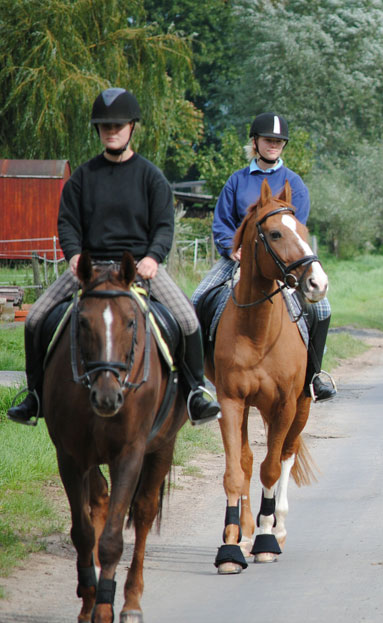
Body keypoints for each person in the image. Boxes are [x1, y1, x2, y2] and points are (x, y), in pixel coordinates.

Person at [7, 88, 221, 426]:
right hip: (90, 270)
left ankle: (195, 393)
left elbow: (164, 226)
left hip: (138, 268)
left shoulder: (151, 177)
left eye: (118, 125)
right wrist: (75, 255)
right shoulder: (82, 178)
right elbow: (68, 223)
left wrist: (153, 257)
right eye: (105, 125)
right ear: (98, 130)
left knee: (188, 320)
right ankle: (34, 396)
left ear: (132, 127)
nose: (111, 130)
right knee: (34, 321)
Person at [191, 112, 336, 402]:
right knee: (197, 299)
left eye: (279, 141)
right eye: (268, 140)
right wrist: (230, 247)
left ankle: (313, 375)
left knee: (321, 310)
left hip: (281, 264)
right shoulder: (237, 181)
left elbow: (297, 228)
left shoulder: (294, 183)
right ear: (255, 143)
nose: (274, 145)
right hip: (237, 259)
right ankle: (198, 378)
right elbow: (221, 220)